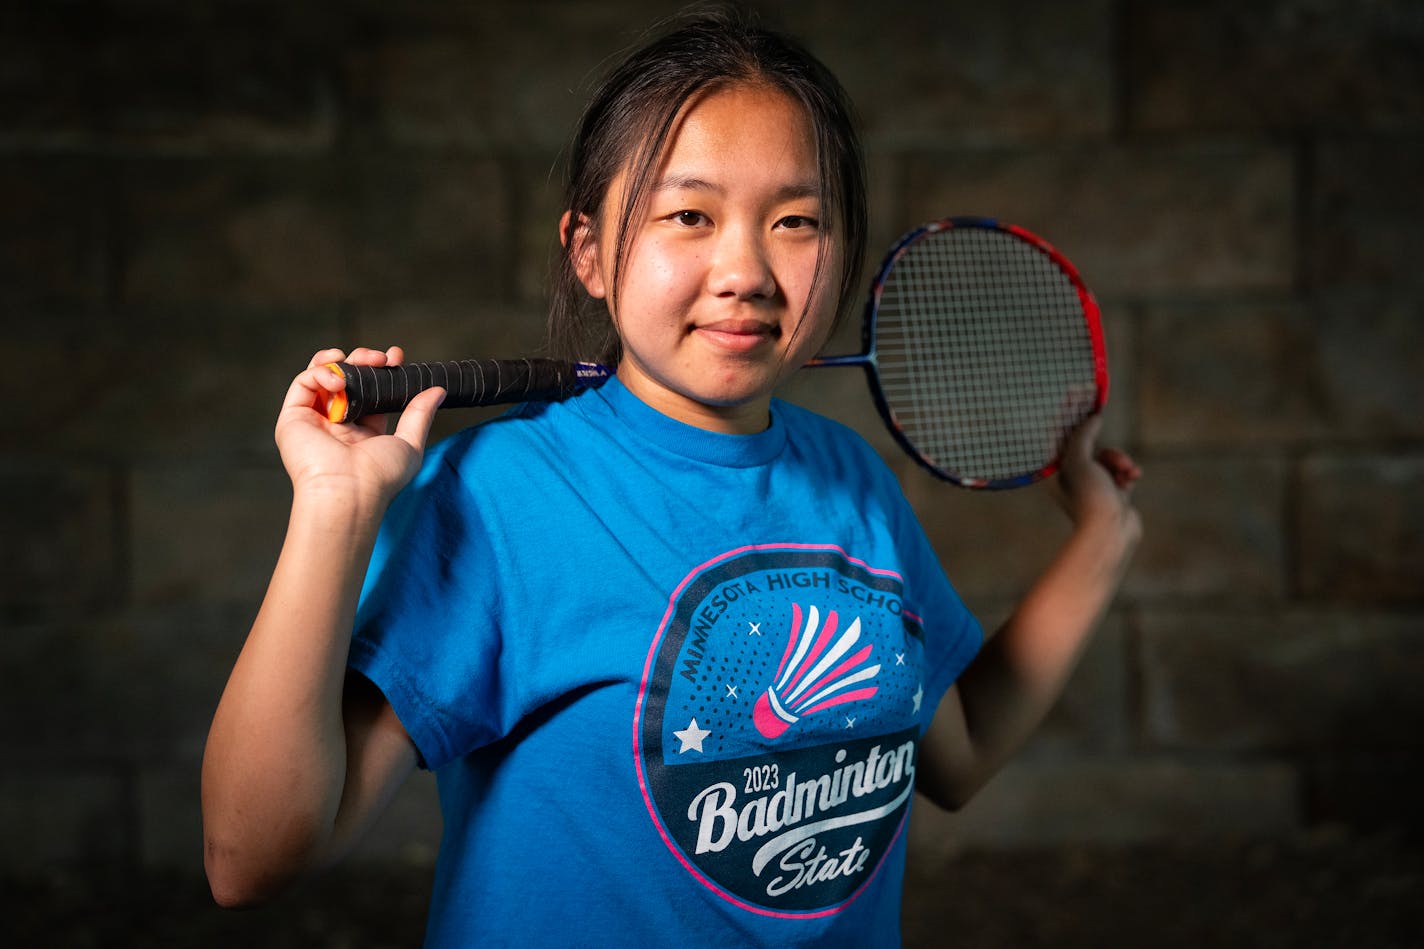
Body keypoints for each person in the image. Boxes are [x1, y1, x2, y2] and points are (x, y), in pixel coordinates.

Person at [201, 9, 1142, 946]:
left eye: (797, 220)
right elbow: (250, 858)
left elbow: (961, 748)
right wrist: (333, 510)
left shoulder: (854, 483)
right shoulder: (498, 496)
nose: (745, 269)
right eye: (689, 214)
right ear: (591, 253)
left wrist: (1104, 535)